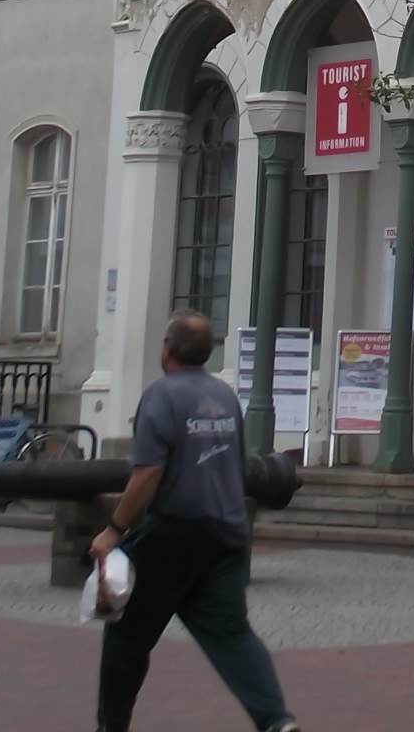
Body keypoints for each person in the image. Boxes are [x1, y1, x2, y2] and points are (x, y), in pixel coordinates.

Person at [89, 310, 300, 732]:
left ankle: (111, 727)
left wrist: (115, 529)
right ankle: (276, 720)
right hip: (227, 532)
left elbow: (148, 473)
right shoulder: (224, 396)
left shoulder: (160, 396)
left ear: (167, 350)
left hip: (176, 530)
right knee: (232, 634)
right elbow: (235, 465)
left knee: (126, 635)